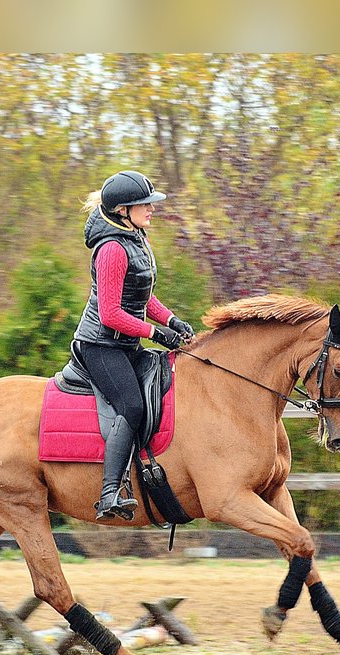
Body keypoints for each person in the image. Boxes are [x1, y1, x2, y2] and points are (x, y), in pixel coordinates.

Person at [72, 170, 195, 521]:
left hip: (125, 344)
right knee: (132, 405)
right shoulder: (111, 249)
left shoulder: (135, 236)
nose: (152, 209)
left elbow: (143, 296)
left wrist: (171, 321)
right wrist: (156, 334)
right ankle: (110, 492)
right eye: (145, 204)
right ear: (123, 210)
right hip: (100, 346)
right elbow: (110, 314)